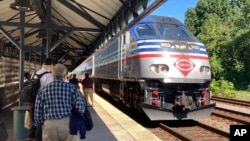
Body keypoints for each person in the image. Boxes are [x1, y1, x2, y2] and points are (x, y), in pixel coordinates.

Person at [34, 63, 85, 141]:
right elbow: (81, 108)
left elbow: (37, 114)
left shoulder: (42, 90)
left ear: (52, 74)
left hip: (49, 125)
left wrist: (43, 124)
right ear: (65, 75)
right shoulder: (71, 88)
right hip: (68, 124)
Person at [29, 58, 54, 140]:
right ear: (51, 66)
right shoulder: (48, 76)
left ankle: (31, 138)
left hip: (32, 103)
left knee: (34, 124)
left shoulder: (34, 73)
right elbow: (49, 92)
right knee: (41, 125)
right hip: (42, 105)